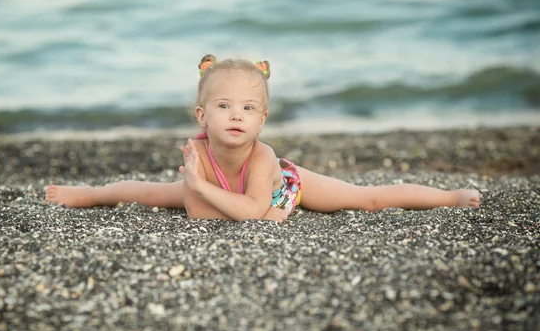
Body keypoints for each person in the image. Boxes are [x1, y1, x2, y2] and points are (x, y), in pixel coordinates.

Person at [45, 55, 481, 223]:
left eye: (248, 109)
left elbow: (253, 211)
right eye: (224, 106)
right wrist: (197, 189)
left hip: (278, 188)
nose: (237, 114)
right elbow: (201, 217)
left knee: (364, 198)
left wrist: (199, 189)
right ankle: (86, 194)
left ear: (262, 121)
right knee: (142, 190)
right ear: (202, 114)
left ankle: (447, 197)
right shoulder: (196, 150)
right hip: (218, 189)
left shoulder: (264, 156)